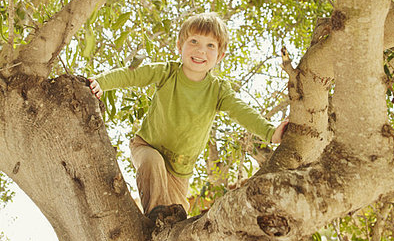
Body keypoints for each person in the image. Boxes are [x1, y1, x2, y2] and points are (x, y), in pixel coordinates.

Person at [89, 13, 288, 219]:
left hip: (179, 171)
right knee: (153, 167)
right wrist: (101, 83)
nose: (201, 50)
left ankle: (164, 231)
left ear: (220, 56)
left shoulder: (218, 90)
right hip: (146, 147)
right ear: (180, 46)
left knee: (178, 215)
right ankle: (155, 220)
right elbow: (131, 75)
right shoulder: (167, 72)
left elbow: (242, 111)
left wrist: (270, 133)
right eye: (194, 41)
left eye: (211, 45)